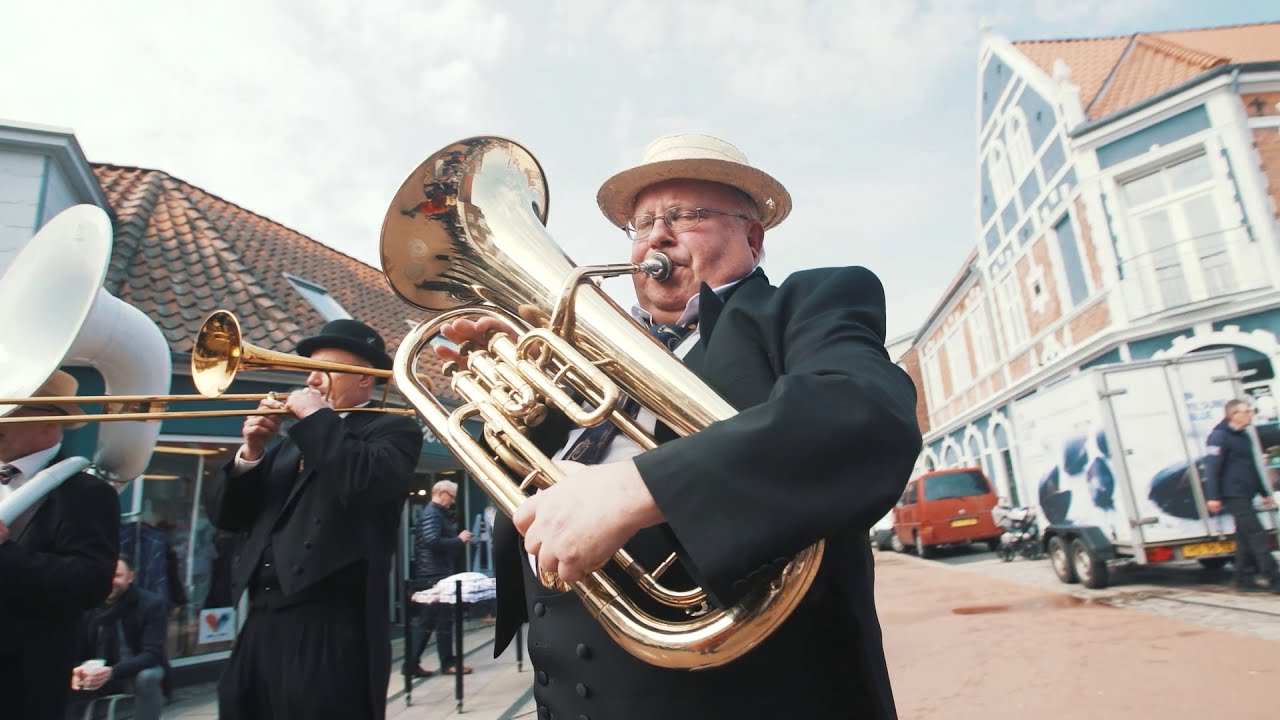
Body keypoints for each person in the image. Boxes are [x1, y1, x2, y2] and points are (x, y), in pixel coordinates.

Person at [437, 133, 921, 719]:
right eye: (642, 223)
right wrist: (526, 405)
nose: (658, 235)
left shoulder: (806, 304)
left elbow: (863, 414)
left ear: (753, 237)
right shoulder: (572, 356)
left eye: (687, 215)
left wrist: (641, 487)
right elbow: (531, 487)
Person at [208, 319, 423, 720]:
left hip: (331, 626)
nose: (311, 381)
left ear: (365, 379)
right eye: (308, 370)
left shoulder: (394, 429)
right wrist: (251, 452)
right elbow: (226, 517)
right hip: (259, 622)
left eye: (324, 370)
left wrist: (316, 417)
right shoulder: (289, 444)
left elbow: (362, 482)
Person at [0, 369, 120, 720]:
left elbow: (90, 583)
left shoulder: (86, 493)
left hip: (21, 680)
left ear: (50, 421)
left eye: (8, 410)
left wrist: (5, 552)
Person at [67, 556, 170, 720]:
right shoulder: (86, 605)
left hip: (135, 671)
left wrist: (112, 672)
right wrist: (76, 669)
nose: (110, 581)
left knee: (147, 677)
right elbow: (72, 649)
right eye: (105, 575)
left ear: (130, 577)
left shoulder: (151, 604)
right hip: (96, 672)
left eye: (117, 575)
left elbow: (152, 654)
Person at [1204, 398, 1280, 593]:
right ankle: (1273, 578)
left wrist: (1263, 492)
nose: (1250, 414)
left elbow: (1252, 466)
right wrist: (1213, 497)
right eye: (1246, 411)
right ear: (1234, 415)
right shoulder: (1219, 437)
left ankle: (1242, 578)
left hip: (1246, 493)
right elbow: (1212, 469)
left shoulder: (1244, 436)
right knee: (1257, 533)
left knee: (1244, 537)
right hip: (1233, 494)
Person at [403, 479, 473, 679]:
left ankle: (412, 664)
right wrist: (458, 540)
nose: (453, 501)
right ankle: (446, 663)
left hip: (433, 573)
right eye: (451, 497)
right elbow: (432, 540)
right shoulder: (432, 514)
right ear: (441, 493)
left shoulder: (434, 514)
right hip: (434, 574)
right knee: (441, 620)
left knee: (431, 621)